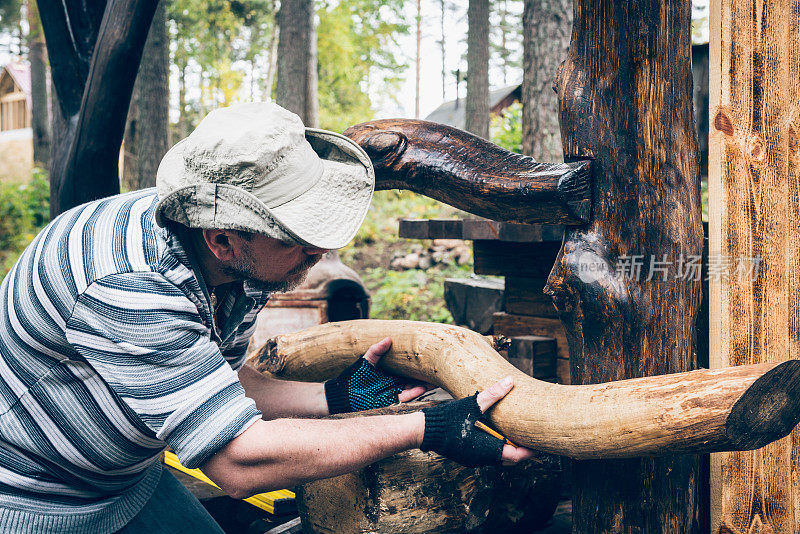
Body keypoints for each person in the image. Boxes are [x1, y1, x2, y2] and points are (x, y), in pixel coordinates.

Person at [0, 102, 534, 533]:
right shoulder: (127, 284)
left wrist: (339, 397)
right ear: (224, 239)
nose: (319, 252)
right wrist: (425, 428)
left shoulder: (237, 262)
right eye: (299, 237)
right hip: (39, 502)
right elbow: (237, 462)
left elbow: (224, 382)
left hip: (127, 481)